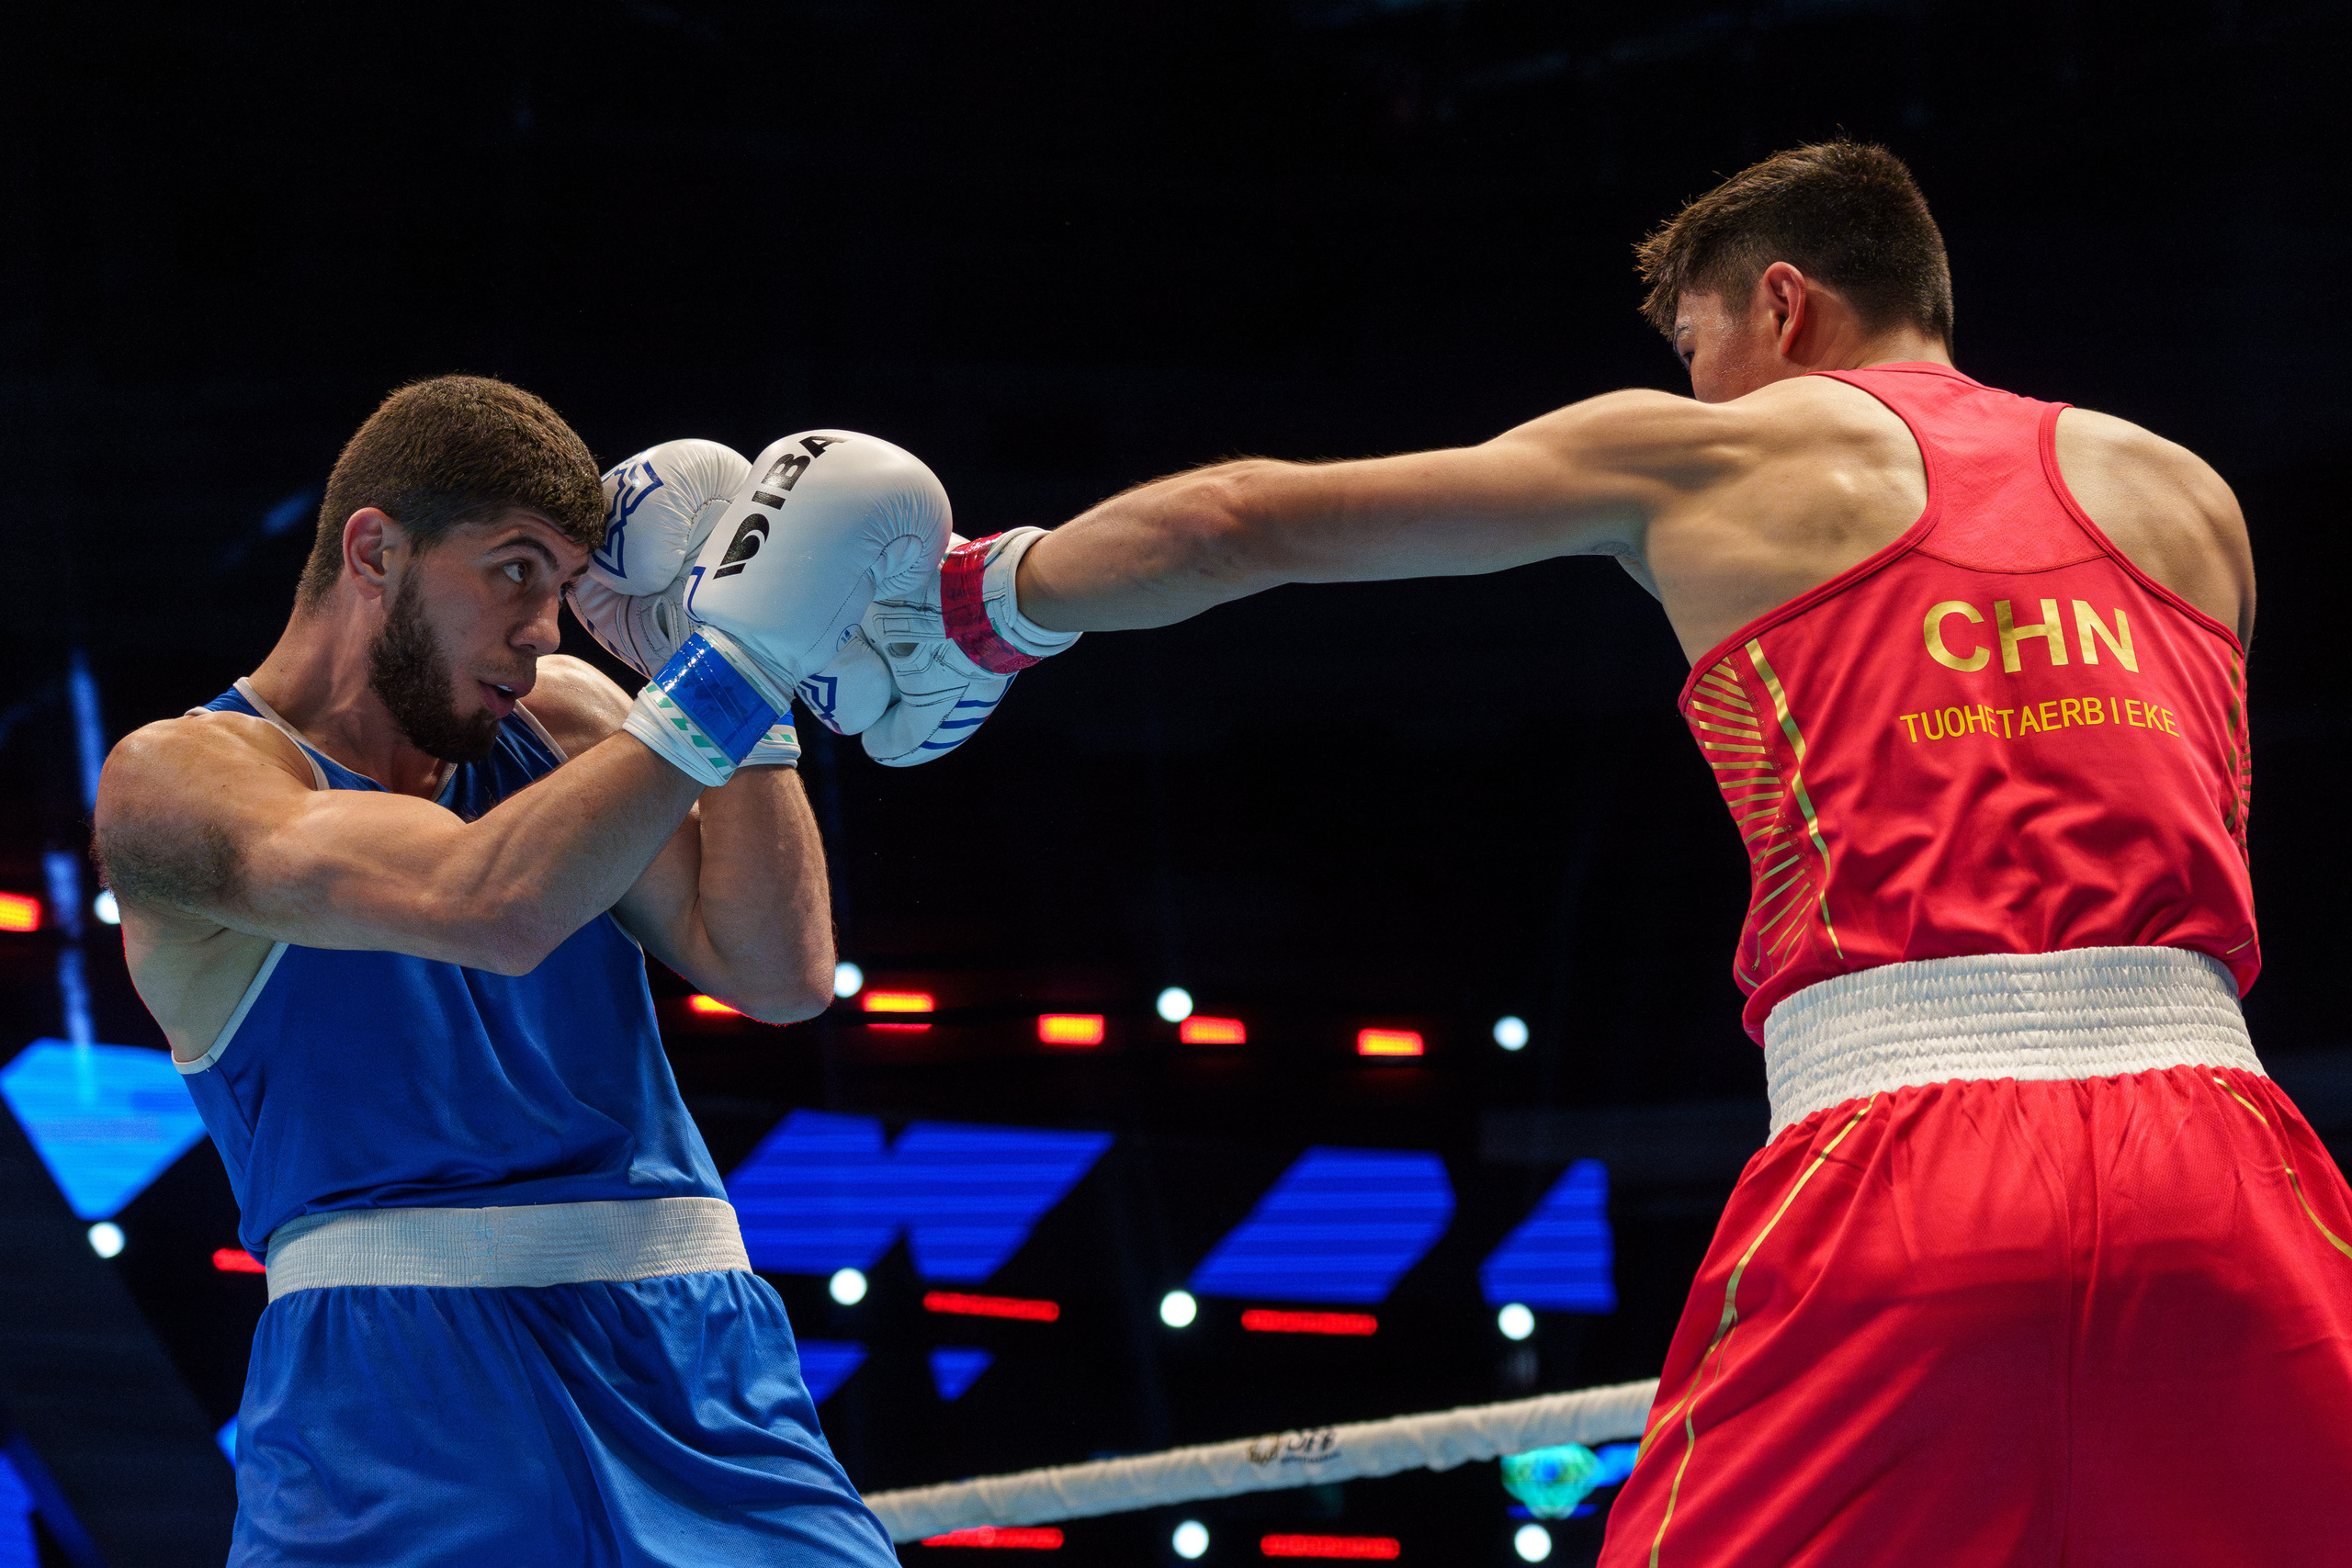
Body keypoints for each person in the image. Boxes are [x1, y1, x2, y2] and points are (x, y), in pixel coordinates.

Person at [888, 141, 2352, 1561]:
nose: (1696, 387)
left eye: (1699, 344)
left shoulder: (1707, 456)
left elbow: (1234, 521)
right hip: (2235, 1166)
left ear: (1785, 304)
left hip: (1910, 1149)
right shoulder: (2185, 492)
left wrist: (977, 606)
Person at [94, 375, 945, 1564]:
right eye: (513, 572)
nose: (544, 631)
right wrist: (741, 660)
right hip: (395, 1401)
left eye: (561, 587)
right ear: (375, 549)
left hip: (698, 1370)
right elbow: (484, 904)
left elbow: (778, 970)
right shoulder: (180, 780)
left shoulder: (572, 723)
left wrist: (744, 706)